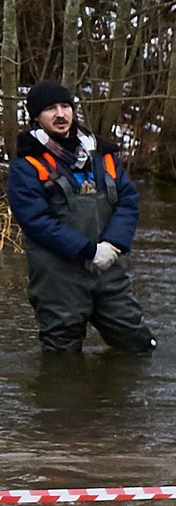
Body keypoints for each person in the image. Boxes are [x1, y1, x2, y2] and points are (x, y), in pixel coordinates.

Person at [7, 80, 153, 356]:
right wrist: (89, 251)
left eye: (65, 106)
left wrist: (112, 244)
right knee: (61, 363)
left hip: (109, 269)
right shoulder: (26, 166)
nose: (60, 114)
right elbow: (37, 222)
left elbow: (128, 201)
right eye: (50, 108)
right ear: (36, 117)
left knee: (139, 347)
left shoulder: (103, 156)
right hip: (58, 280)